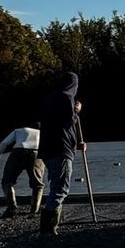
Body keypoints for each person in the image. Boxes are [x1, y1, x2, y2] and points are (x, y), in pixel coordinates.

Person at [37, 72, 84, 236]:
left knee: (56, 186)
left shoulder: (51, 98)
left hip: (49, 149)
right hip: (60, 150)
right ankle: (48, 229)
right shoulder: (66, 98)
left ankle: (50, 226)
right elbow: (68, 121)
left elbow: (56, 126)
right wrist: (77, 111)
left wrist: (76, 143)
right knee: (60, 189)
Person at [0, 125, 44, 217]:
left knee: (7, 181)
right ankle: (34, 210)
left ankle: (12, 209)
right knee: (37, 184)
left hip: (18, 152)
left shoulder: (19, 130)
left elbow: (4, 143)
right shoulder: (42, 133)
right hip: (35, 153)